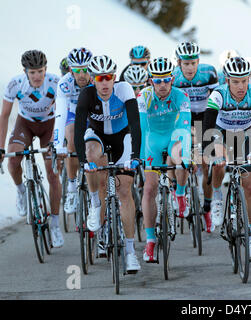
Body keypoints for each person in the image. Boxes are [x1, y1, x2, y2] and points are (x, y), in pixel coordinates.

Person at [74, 55, 142, 273]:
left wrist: (135, 156)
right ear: (94, 79)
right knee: (93, 157)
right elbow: (78, 129)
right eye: (100, 78)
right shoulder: (87, 94)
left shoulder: (124, 90)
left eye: (109, 78)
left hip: (123, 138)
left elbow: (135, 124)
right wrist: (84, 162)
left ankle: (131, 252)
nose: (105, 83)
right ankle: (95, 205)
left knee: (124, 193)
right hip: (98, 137)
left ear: (115, 78)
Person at [203, 56, 251, 261]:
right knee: (219, 162)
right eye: (235, 81)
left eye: (244, 81)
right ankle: (216, 196)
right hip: (221, 133)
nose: (241, 86)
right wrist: (211, 154)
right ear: (227, 80)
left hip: (245, 134)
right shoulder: (218, 95)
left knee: (250, 185)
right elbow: (207, 126)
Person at [0, 50, 64, 248]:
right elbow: (4, 116)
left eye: (40, 71)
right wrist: (1, 149)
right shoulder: (14, 85)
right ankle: (21, 191)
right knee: (13, 159)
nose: (37, 76)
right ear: (25, 72)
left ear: (46, 70)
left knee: (53, 173)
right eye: (33, 72)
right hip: (25, 124)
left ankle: (54, 223)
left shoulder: (55, 82)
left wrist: (59, 143)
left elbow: (63, 111)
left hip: (50, 125)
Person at [138, 57, 191, 263]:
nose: (162, 85)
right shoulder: (144, 97)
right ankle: (150, 242)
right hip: (152, 139)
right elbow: (141, 129)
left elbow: (185, 127)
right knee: (149, 189)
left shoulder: (181, 96)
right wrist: (142, 158)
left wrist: (185, 155)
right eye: (157, 81)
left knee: (180, 155)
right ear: (151, 81)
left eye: (166, 80)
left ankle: (180, 194)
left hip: (174, 135)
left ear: (172, 79)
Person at [172, 41, 219, 233]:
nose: (190, 67)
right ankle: (180, 193)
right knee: (181, 157)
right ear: (179, 63)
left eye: (193, 63)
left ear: (198, 61)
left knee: (207, 162)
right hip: (182, 117)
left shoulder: (208, 72)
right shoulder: (173, 77)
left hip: (205, 116)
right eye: (186, 63)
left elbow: (217, 100)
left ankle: (207, 208)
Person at [53, 47, 93, 215]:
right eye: (77, 70)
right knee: (71, 139)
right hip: (73, 112)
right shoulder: (64, 83)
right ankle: (71, 188)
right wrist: (57, 144)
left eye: (85, 69)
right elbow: (60, 114)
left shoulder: (97, 79)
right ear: (70, 70)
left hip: (92, 111)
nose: (82, 75)